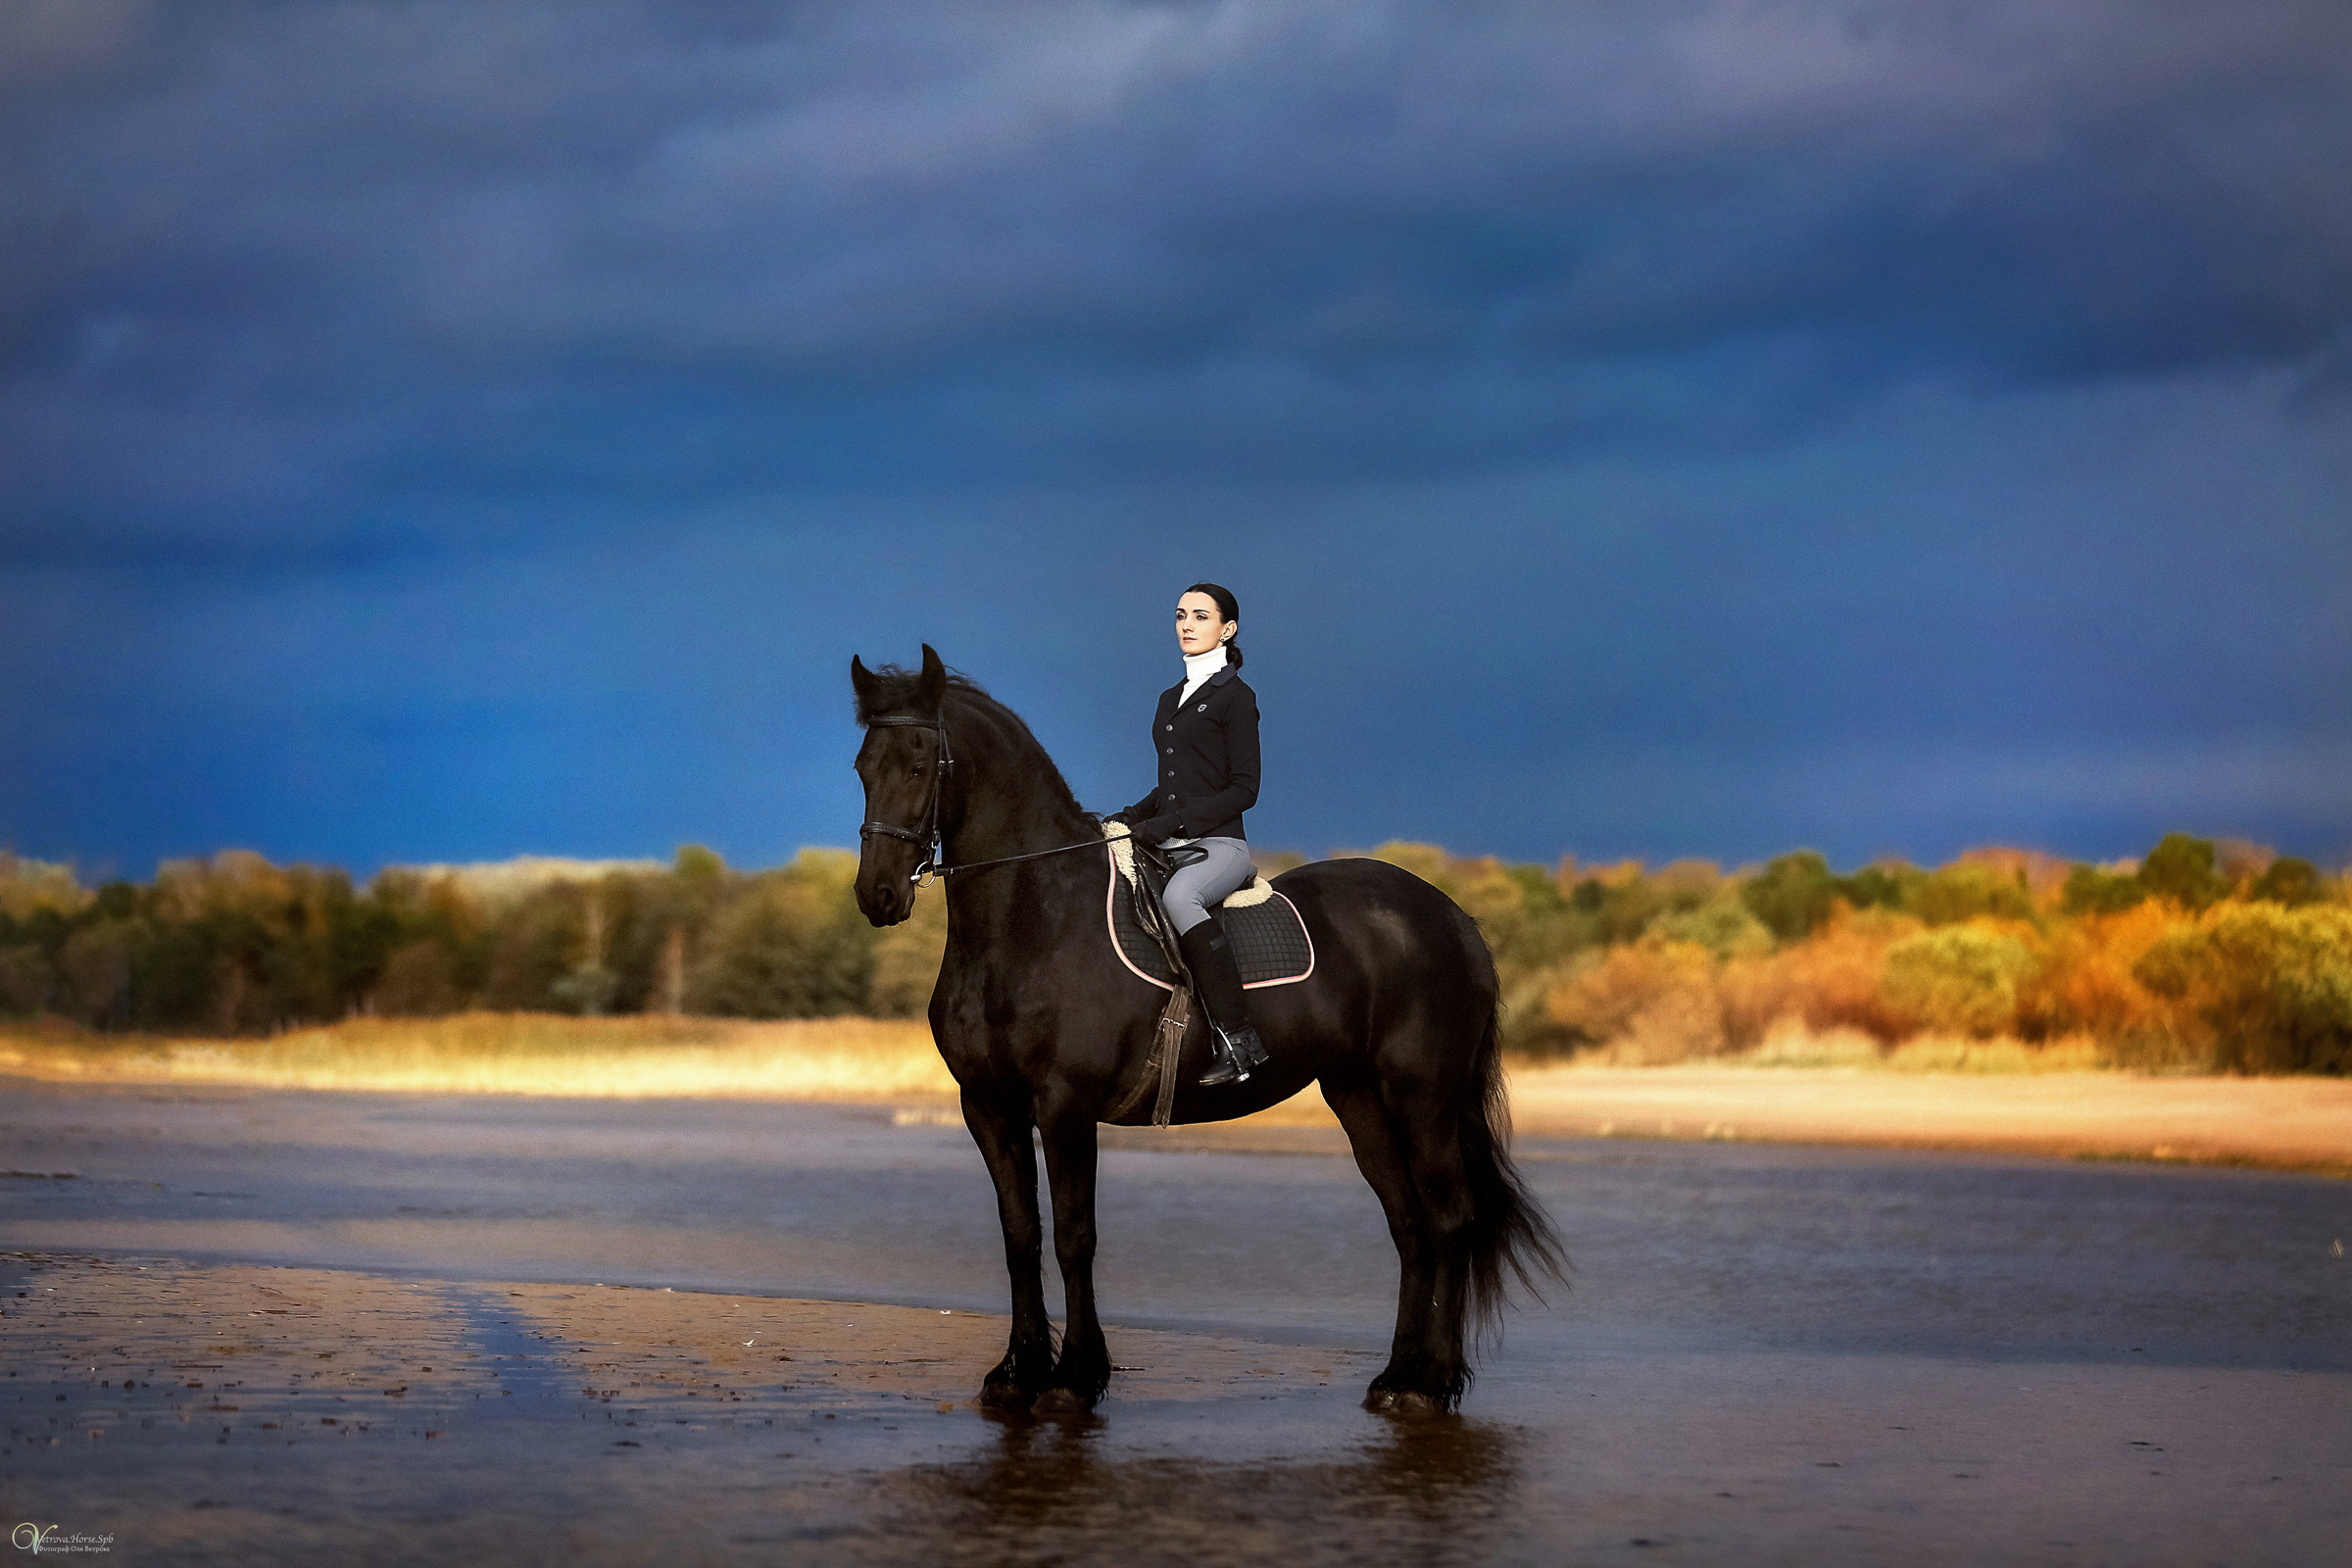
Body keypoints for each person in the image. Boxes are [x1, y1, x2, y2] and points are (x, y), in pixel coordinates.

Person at [1108, 582, 1272, 1086]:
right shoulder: (1169, 699)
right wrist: (1135, 814)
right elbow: (1174, 785)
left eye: (1201, 616)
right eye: (1181, 615)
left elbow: (1245, 788)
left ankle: (1240, 1039)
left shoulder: (1236, 698)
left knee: (1182, 898)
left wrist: (1171, 824)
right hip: (1172, 837)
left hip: (1220, 844)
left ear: (1227, 629)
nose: (1186, 624)